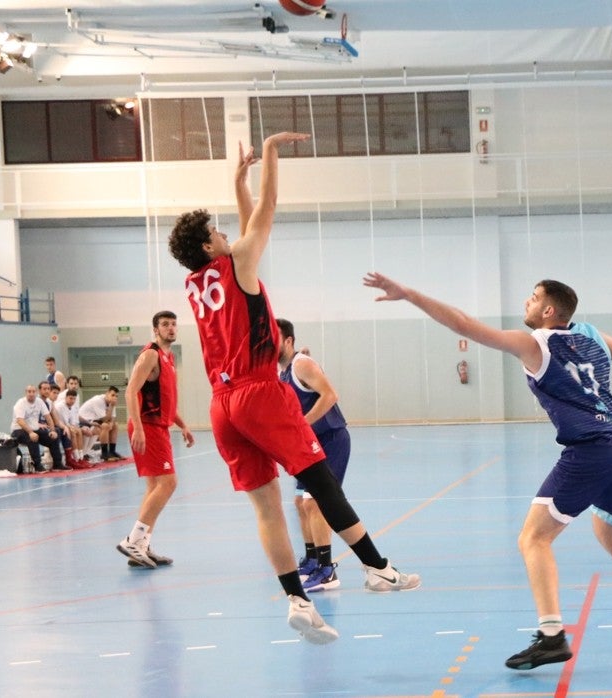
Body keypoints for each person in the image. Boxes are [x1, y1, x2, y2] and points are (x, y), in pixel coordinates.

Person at [363, 272, 612, 670]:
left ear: (549, 310)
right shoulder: (592, 335)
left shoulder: (533, 344)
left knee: (533, 538)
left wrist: (409, 294)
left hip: (591, 450)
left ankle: (552, 637)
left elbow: (463, 325)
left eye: (532, 299)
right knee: (611, 533)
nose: (526, 304)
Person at [168, 132, 418, 645]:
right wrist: (272, 155)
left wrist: (238, 179)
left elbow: (244, 229)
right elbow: (269, 207)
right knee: (321, 482)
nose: (225, 234)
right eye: (217, 231)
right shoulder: (237, 263)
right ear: (207, 246)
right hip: (259, 391)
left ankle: (297, 600)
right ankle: (377, 568)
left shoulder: (197, 282)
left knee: (266, 506)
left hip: (221, 405)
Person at [276, 318, 351, 593]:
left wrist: (303, 425)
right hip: (309, 445)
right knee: (300, 502)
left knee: (315, 504)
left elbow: (330, 395)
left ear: (288, 341)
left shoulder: (300, 364)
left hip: (331, 439)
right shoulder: (283, 370)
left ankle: (327, 569)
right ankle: (311, 559)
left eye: (275, 337)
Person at [118, 310, 196, 569]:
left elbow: (166, 401)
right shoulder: (150, 354)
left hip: (159, 425)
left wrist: (183, 425)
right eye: (165, 325)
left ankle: (141, 546)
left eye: (174, 324)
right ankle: (134, 540)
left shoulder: (168, 357)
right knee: (169, 483)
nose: (171, 328)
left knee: (154, 487)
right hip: (147, 427)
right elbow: (130, 392)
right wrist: (138, 428)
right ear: (156, 329)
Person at [12, 384, 68, 472]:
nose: (31, 394)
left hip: (35, 429)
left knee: (53, 437)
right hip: (19, 430)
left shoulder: (39, 402)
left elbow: (48, 417)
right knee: (33, 438)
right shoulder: (20, 403)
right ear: (25, 393)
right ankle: (37, 465)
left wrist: (52, 431)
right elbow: (20, 421)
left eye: (33, 391)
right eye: (29, 392)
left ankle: (58, 464)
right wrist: (30, 432)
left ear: (36, 392)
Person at [80, 386, 124, 462]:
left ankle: (112, 451)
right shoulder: (98, 400)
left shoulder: (111, 402)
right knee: (105, 426)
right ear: (107, 393)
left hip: (96, 420)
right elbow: (105, 419)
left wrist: (112, 423)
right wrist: (111, 406)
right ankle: (104, 453)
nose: (114, 398)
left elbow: (112, 417)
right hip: (85, 420)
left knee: (115, 425)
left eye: (116, 396)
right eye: (112, 395)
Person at [52, 388, 89, 468]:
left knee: (78, 430)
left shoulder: (72, 407)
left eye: (74, 399)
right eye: (70, 398)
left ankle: (80, 458)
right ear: (66, 398)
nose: (72, 400)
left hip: (66, 425)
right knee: (72, 431)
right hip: (59, 426)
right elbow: (63, 422)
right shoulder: (60, 406)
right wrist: (71, 427)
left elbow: (73, 422)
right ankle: (75, 459)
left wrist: (77, 427)